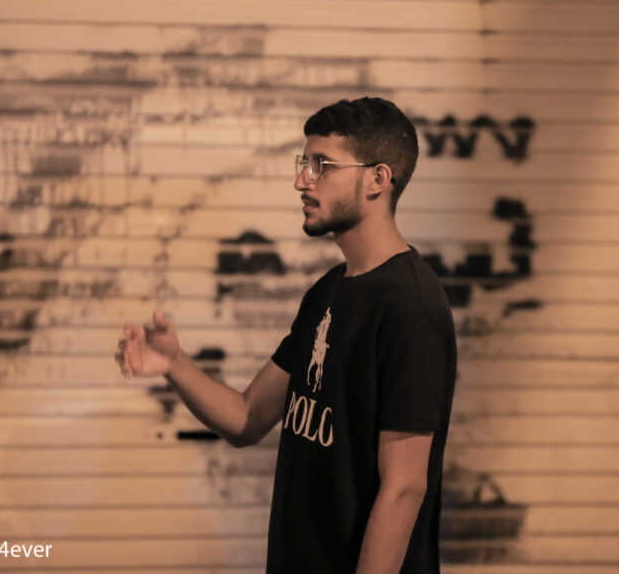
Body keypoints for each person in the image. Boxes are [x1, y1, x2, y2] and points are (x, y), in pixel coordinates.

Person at [116, 97, 457, 573]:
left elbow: (404, 488)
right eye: (304, 164)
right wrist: (175, 365)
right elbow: (248, 418)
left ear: (378, 179)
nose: (302, 181)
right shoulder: (328, 291)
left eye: (322, 166)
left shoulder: (410, 306)